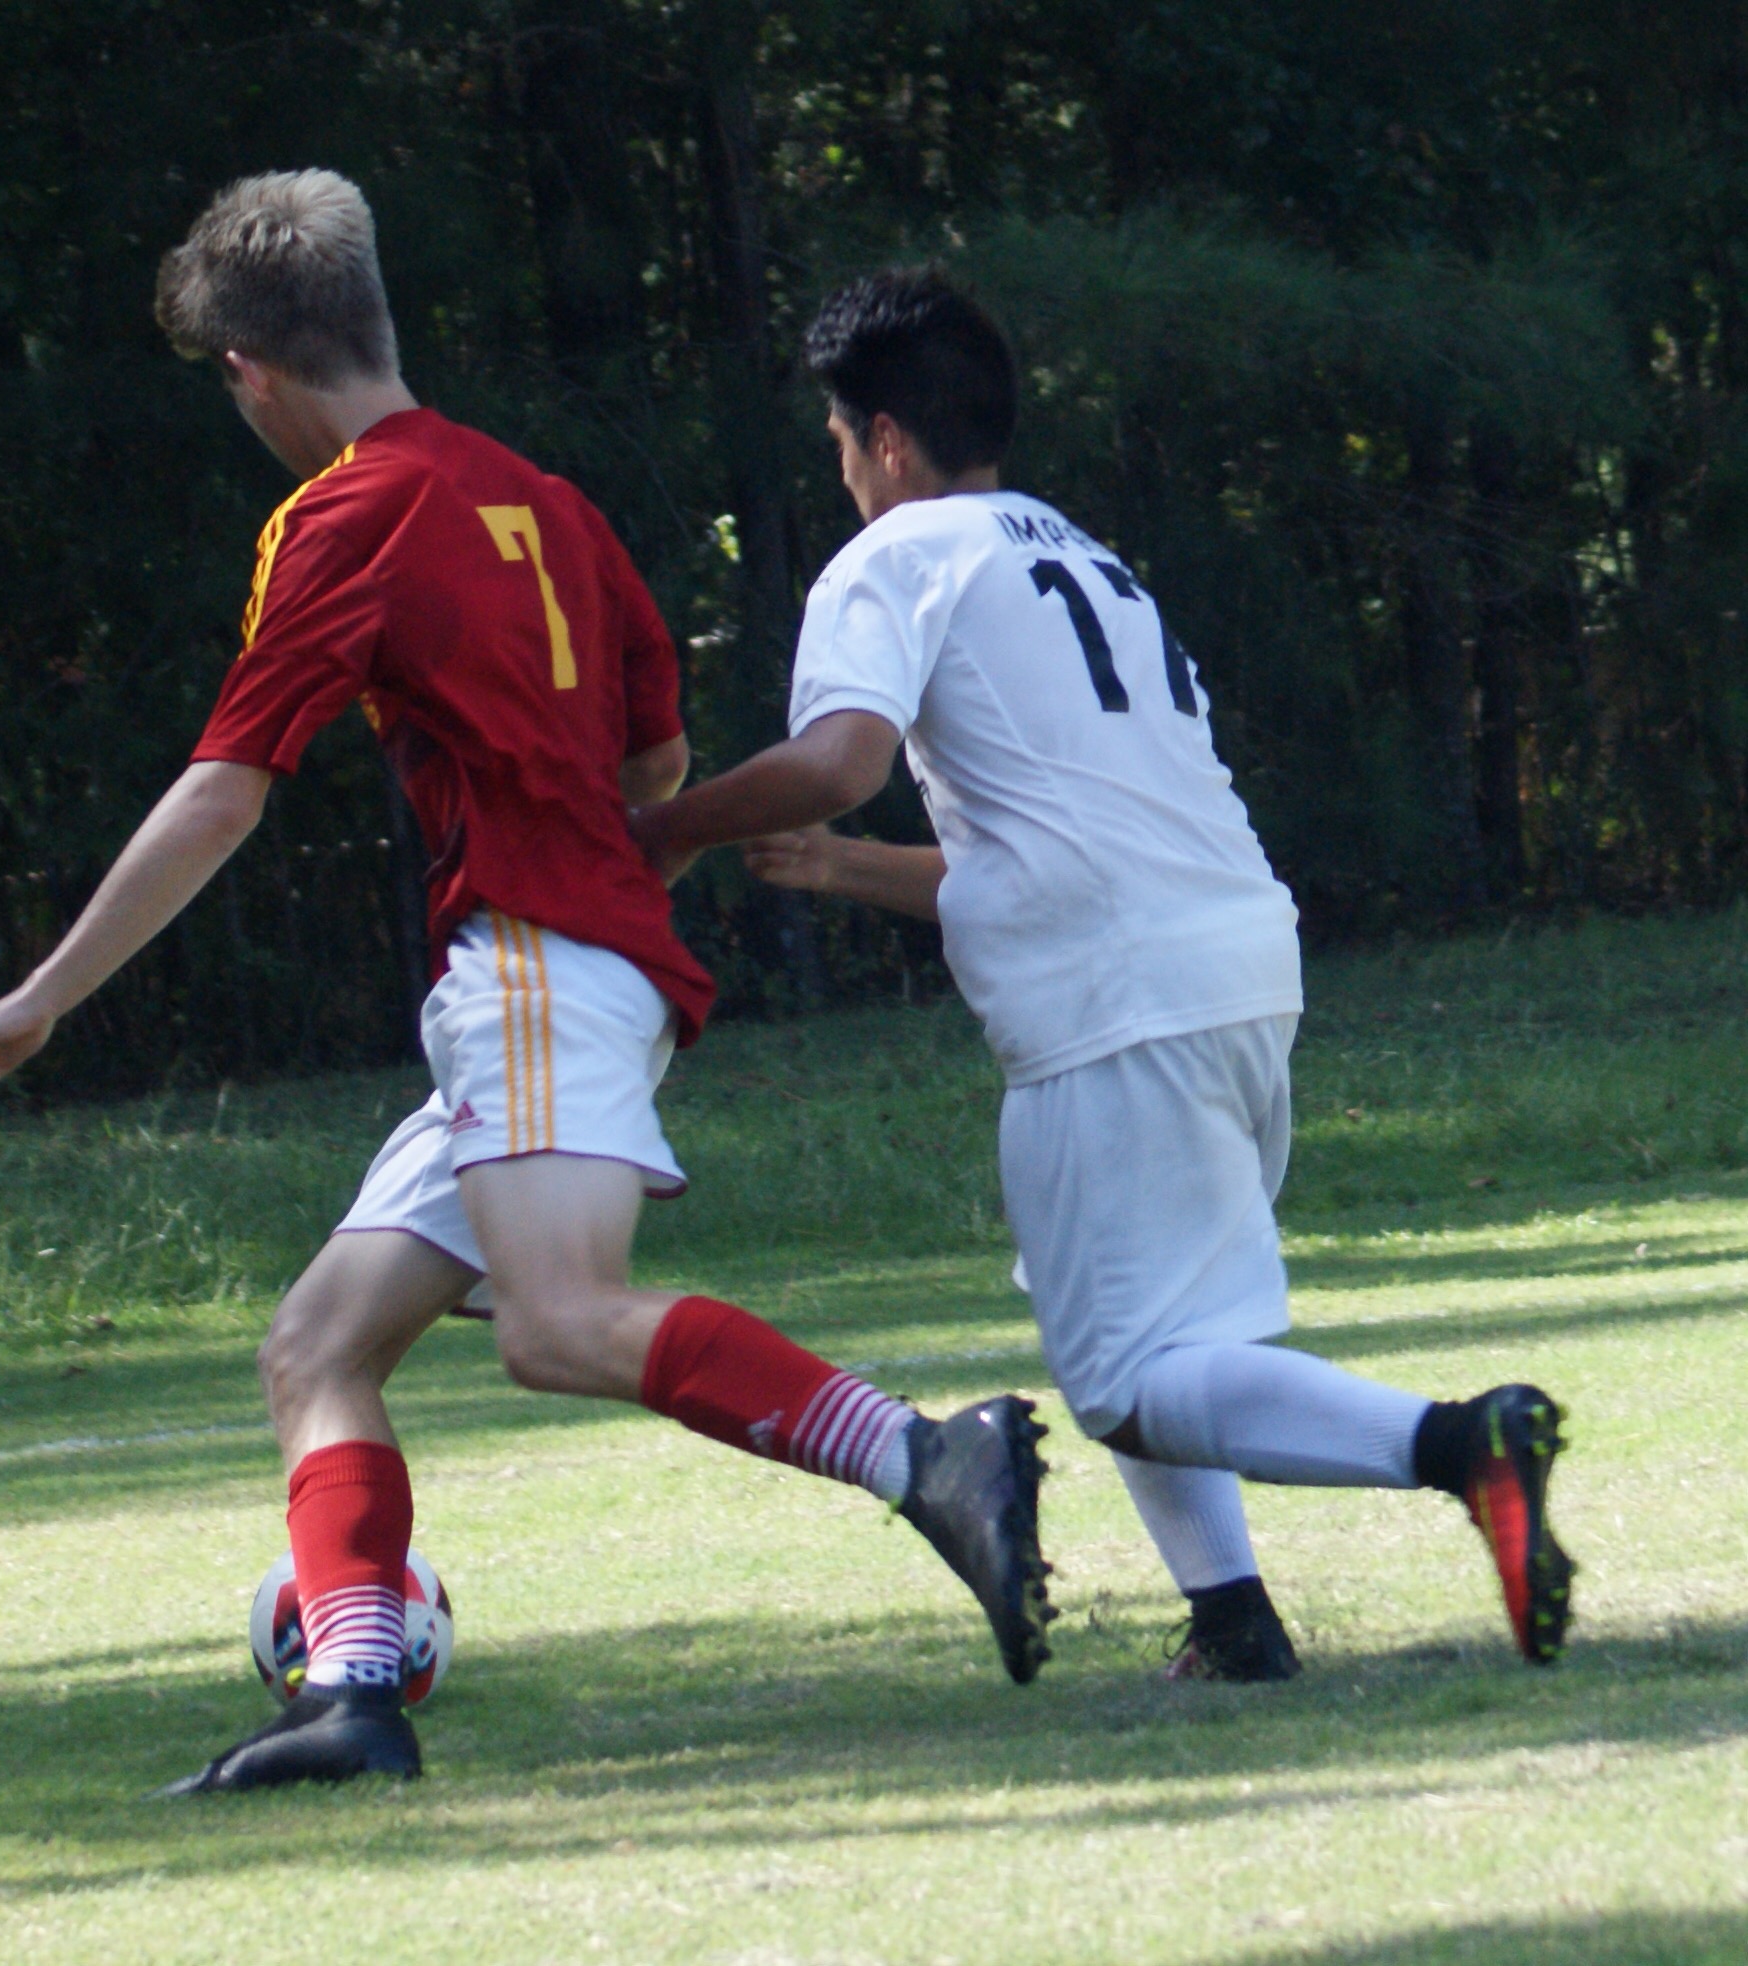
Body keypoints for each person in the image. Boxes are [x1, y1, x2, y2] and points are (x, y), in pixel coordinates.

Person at [0, 177, 1056, 1793]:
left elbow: (225, 790)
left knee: (558, 1322)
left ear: (253, 370)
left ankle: (924, 1451)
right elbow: (654, 751)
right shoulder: (549, 502)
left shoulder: (344, 516)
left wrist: (41, 996)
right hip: (574, 967)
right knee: (318, 1345)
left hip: (527, 963)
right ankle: (357, 1688)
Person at [631, 269, 1574, 1681]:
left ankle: (1462, 1442)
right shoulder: (1081, 555)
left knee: (1130, 1382)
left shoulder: (895, 557)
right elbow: (1059, 846)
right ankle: (1234, 1621)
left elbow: (839, 761)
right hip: (1235, 961)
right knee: (1168, 1337)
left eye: (838, 443)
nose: (841, 472)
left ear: (884, 438)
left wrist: (665, 827)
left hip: (1113, 1003)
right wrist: (843, 870)